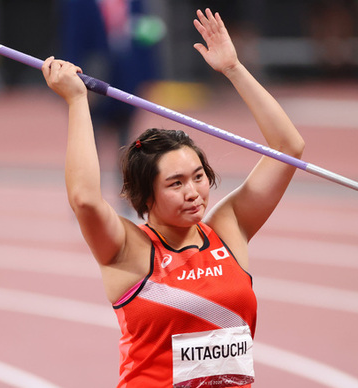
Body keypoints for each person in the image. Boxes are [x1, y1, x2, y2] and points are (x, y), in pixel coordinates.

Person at [42, 8, 304, 388]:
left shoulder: (228, 230)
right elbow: (84, 199)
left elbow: (287, 147)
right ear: (146, 195)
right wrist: (77, 102)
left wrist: (233, 69)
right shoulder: (128, 250)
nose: (194, 191)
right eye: (176, 183)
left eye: (198, 176)